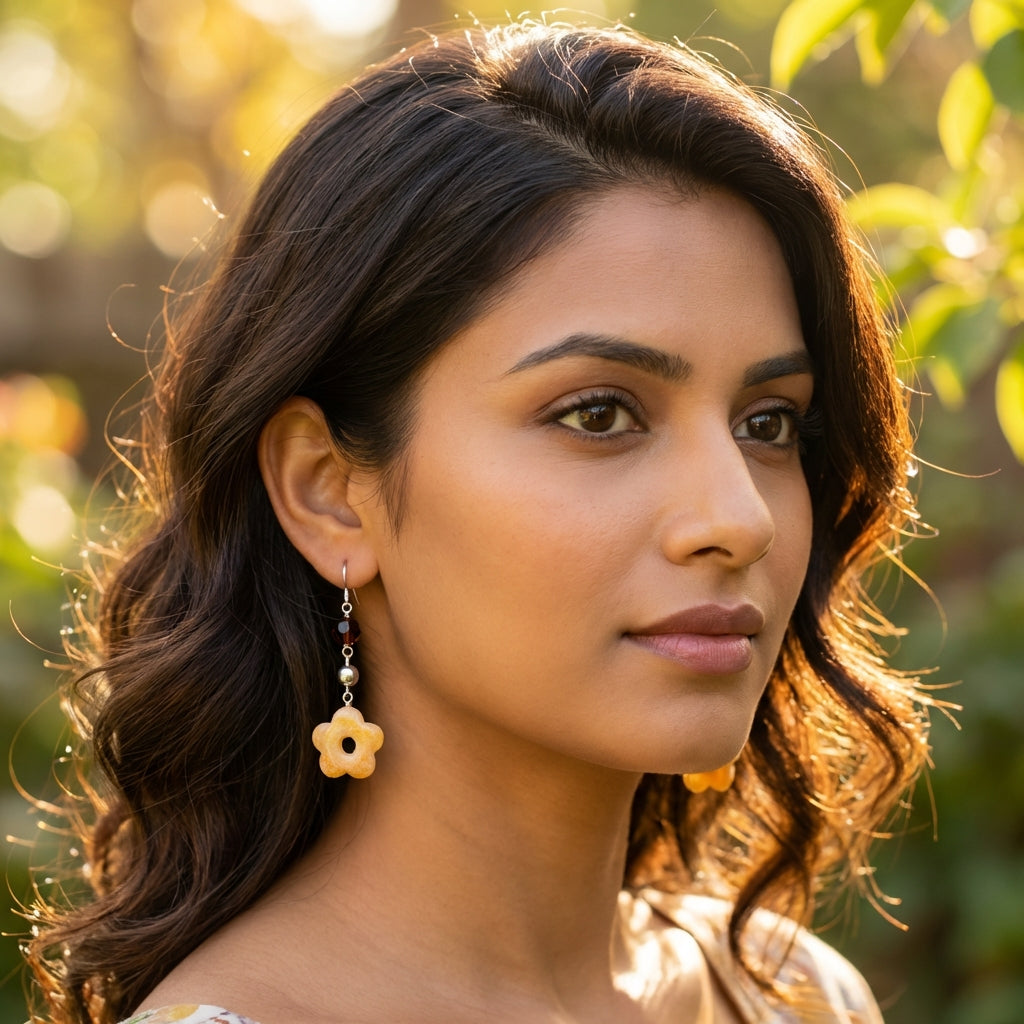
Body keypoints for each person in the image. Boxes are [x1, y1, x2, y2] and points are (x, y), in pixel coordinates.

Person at [22, 18, 934, 1024]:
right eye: (599, 414)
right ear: (328, 490)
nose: (740, 517)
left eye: (768, 424)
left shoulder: (796, 996)